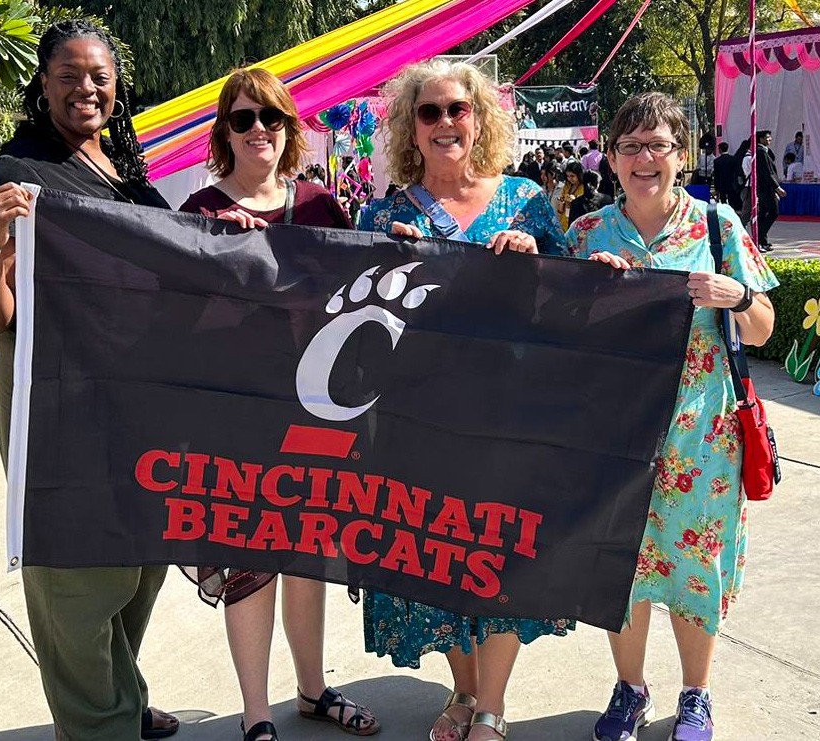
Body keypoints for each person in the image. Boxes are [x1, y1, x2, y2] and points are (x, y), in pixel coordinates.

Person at [0, 20, 179, 741]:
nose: (86, 87)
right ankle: (96, 724)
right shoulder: (17, 174)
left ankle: (119, 692)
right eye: (69, 74)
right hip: (59, 401)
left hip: (135, 401)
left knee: (142, 559)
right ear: (43, 83)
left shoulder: (132, 180)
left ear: (117, 86)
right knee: (78, 572)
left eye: (99, 76)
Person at [358, 58, 568, 741]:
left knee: (499, 556)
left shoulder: (527, 201)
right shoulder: (383, 213)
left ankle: (490, 708)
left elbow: (575, 301)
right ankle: (466, 683)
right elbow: (351, 318)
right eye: (430, 112)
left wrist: (537, 256)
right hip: (418, 420)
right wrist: (380, 265)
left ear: (479, 117)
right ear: (409, 129)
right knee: (434, 558)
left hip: (509, 415)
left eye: (458, 109)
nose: (446, 122)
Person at [564, 92, 778, 741]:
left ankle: (696, 694)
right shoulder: (586, 234)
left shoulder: (716, 225)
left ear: (681, 155)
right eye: (629, 145)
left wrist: (735, 294)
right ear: (610, 157)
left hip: (701, 440)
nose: (644, 157)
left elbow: (765, 328)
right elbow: (552, 330)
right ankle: (629, 690)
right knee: (621, 568)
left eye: (657, 144)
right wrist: (587, 297)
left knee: (693, 567)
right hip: (614, 437)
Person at [178, 67, 379, 741]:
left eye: (270, 117)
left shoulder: (322, 206)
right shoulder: (200, 213)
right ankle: (257, 711)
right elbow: (171, 319)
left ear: (290, 128)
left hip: (317, 410)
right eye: (242, 118)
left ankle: (314, 689)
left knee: (307, 553)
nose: (258, 129)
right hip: (237, 413)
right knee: (249, 557)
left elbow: (364, 293)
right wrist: (217, 259)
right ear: (223, 133)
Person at [558, 160, 585, 230]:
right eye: (567, 176)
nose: (569, 179)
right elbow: (560, 209)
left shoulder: (583, 188)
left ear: (579, 175)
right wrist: (563, 201)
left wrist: (573, 202)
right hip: (564, 223)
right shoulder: (567, 186)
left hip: (576, 224)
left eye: (572, 176)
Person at [712, 141, 740, 210]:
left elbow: (716, 175)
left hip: (722, 184)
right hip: (732, 183)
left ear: (720, 150)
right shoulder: (733, 159)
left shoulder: (717, 161)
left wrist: (716, 188)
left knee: (723, 202)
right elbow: (736, 172)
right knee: (732, 201)